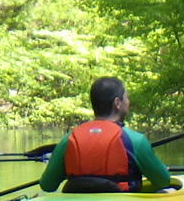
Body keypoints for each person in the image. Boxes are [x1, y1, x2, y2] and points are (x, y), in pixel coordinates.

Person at [38, 77, 175, 193]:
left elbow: (47, 185)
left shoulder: (68, 139)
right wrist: (162, 169)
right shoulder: (136, 140)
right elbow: (163, 180)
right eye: (126, 98)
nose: (128, 103)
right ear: (117, 103)